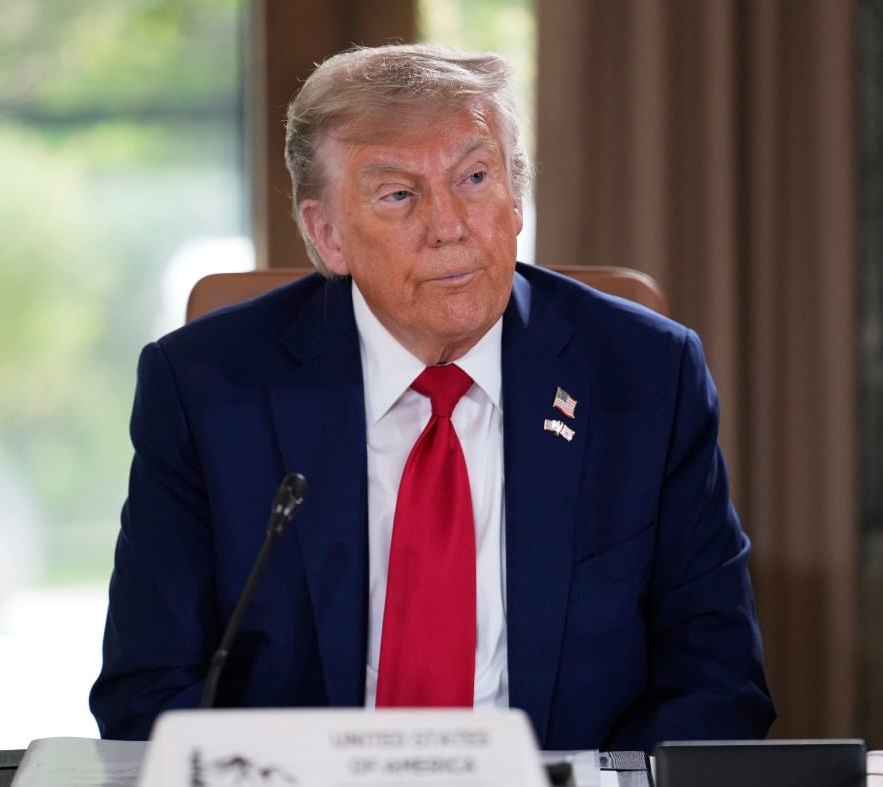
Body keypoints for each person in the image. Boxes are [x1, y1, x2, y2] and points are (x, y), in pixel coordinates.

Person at [90, 42, 774, 751]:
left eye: (475, 177)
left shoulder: (646, 377)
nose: (449, 224)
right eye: (399, 194)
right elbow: (148, 692)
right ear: (327, 236)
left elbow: (719, 683)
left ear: (517, 195)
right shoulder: (205, 390)